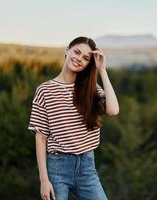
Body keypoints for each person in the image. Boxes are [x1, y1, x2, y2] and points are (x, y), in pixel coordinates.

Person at [27, 36, 119, 200]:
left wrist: (102, 70)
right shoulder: (45, 91)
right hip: (57, 168)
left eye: (85, 58)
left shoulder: (91, 89)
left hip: (86, 167)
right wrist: (44, 180)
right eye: (76, 52)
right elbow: (41, 137)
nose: (79, 59)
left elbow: (113, 111)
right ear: (67, 50)